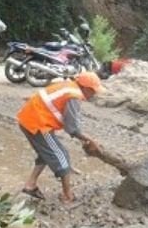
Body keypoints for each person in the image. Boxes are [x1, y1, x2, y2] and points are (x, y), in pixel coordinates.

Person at [16, 72, 104, 203]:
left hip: (29, 119)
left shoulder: (68, 86)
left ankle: (30, 185)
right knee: (61, 155)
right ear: (86, 88)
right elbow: (72, 127)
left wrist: (85, 138)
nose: (94, 94)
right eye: (93, 91)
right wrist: (90, 140)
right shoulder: (74, 95)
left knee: (46, 153)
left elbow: (71, 123)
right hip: (38, 124)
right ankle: (67, 195)